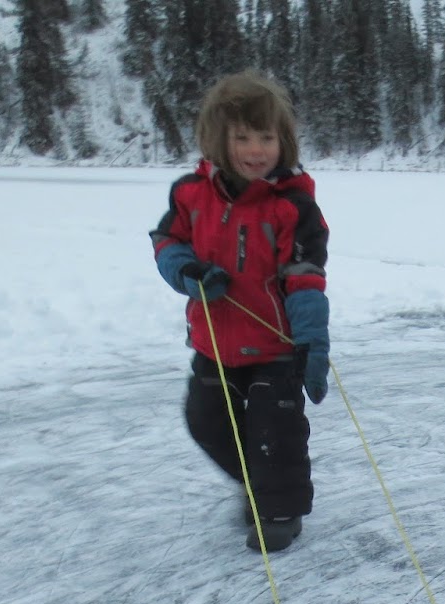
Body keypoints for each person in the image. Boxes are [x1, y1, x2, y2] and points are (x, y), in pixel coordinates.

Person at [150, 72, 330, 553]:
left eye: (266, 137)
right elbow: (167, 241)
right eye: (243, 138)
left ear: (283, 141)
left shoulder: (293, 205)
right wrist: (185, 271)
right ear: (219, 141)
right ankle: (257, 485)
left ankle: (279, 508)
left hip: (275, 346)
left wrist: (312, 339)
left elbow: (307, 275)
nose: (256, 150)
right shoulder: (190, 193)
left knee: (276, 430)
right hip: (215, 340)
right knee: (206, 420)